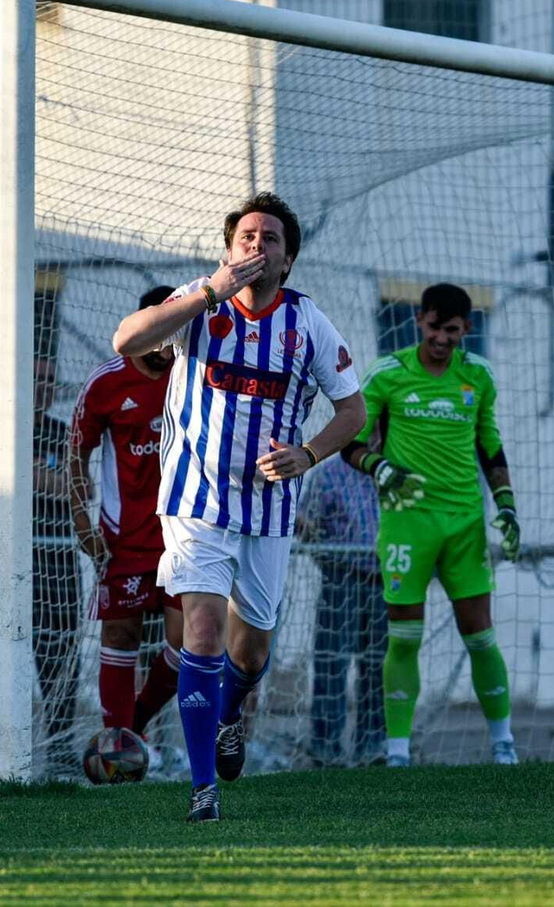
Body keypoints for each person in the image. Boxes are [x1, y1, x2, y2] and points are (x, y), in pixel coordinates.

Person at [112, 191, 366, 823]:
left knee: (248, 652)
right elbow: (127, 339)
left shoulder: (307, 323)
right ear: (229, 251)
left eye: (270, 238)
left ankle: (230, 716)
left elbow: (353, 411)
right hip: (195, 500)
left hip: (268, 509)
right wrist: (209, 291)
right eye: (246, 237)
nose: (257, 245)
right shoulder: (200, 300)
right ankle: (204, 790)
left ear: (287, 260)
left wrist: (307, 454)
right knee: (201, 632)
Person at [341, 283, 521, 770]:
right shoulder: (388, 373)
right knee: (404, 638)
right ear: (419, 320)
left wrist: (505, 504)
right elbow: (351, 443)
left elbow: (490, 445)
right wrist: (379, 466)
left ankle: (504, 745)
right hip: (407, 522)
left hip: (465, 522)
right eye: (435, 327)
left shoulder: (478, 375)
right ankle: (398, 752)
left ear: (467, 329)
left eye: (452, 330)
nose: (442, 338)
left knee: (480, 635)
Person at [69, 285, 184, 759]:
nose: (167, 348)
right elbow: (77, 452)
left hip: (185, 535)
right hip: (124, 539)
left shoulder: (192, 375)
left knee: (188, 643)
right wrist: (82, 518)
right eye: (160, 334)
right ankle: (121, 746)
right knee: (120, 635)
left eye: (175, 336)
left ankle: (131, 728)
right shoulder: (106, 383)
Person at [297, 458, 385, 766]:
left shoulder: (391, 468)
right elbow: (306, 522)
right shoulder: (328, 475)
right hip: (341, 577)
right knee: (332, 663)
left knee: (378, 665)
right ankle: (325, 746)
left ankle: (374, 744)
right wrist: (309, 531)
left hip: (385, 580)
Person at [26, 356, 85, 770]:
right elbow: (24, 478)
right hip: (20, 557)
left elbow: (84, 488)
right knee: (16, 649)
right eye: (36, 378)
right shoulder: (5, 427)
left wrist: (57, 481)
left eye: (50, 379)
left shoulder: (60, 430)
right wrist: (61, 482)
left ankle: (60, 741)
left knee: (63, 653)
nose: (44, 386)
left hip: (61, 554)